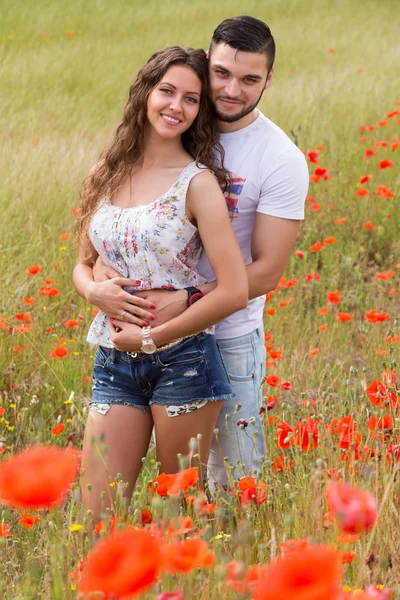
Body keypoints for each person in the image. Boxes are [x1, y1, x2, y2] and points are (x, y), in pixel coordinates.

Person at [93, 16, 309, 492]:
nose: (232, 90)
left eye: (250, 79)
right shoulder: (178, 124)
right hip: (135, 332)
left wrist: (186, 298)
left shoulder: (280, 159)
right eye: (223, 73)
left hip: (228, 338)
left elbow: (268, 271)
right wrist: (99, 278)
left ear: (268, 79)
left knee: (230, 488)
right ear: (206, 64)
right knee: (146, 490)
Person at [73, 45, 248, 522]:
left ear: (199, 111)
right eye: (167, 91)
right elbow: (82, 264)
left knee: (178, 517)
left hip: (183, 359)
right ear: (145, 93)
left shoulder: (198, 184)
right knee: (94, 517)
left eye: (191, 99)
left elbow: (233, 289)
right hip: (113, 359)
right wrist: (93, 291)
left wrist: (151, 337)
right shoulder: (106, 173)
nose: (176, 106)